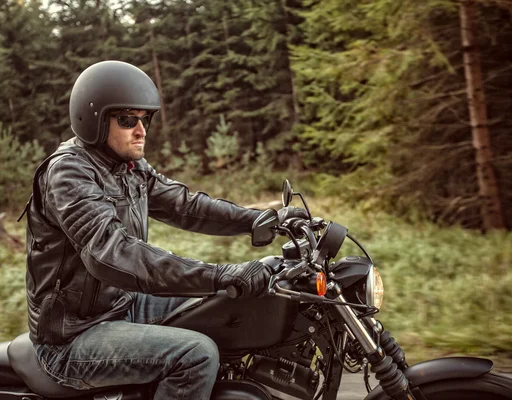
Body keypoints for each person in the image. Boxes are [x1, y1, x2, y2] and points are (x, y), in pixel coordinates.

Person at [22, 60, 307, 400]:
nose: (141, 130)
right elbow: (115, 255)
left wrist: (262, 219)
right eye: (128, 120)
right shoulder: (68, 173)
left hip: (119, 303)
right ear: (93, 119)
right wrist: (220, 273)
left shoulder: (128, 167)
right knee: (196, 354)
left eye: (146, 119)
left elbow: (185, 205)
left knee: (231, 306)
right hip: (73, 335)